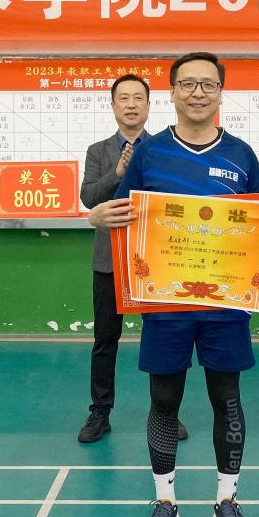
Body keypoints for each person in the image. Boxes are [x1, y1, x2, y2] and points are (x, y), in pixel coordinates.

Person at [88, 52, 259, 517]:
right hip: (165, 305)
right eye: (188, 84)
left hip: (225, 306)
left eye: (208, 84)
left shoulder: (241, 154)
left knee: (227, 400)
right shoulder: (150, 152)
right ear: (172, 93)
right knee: (164, 401)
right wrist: (96, 217)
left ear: (221, 92)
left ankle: (227, 500)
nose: (198, 93)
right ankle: (165, 502)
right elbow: (121, 212)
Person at [76, 73, 187, 444]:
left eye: (138, 97)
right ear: (113, 106)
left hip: (155, 259)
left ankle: (166, 414)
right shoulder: (98, 151)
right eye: (123, 98)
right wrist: (118, 173)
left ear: (149, 105)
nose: (131, 104)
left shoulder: (165, 148)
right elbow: (89, 198)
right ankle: (100, 412)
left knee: (163, 338)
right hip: (110, 260)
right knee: (105, 340)